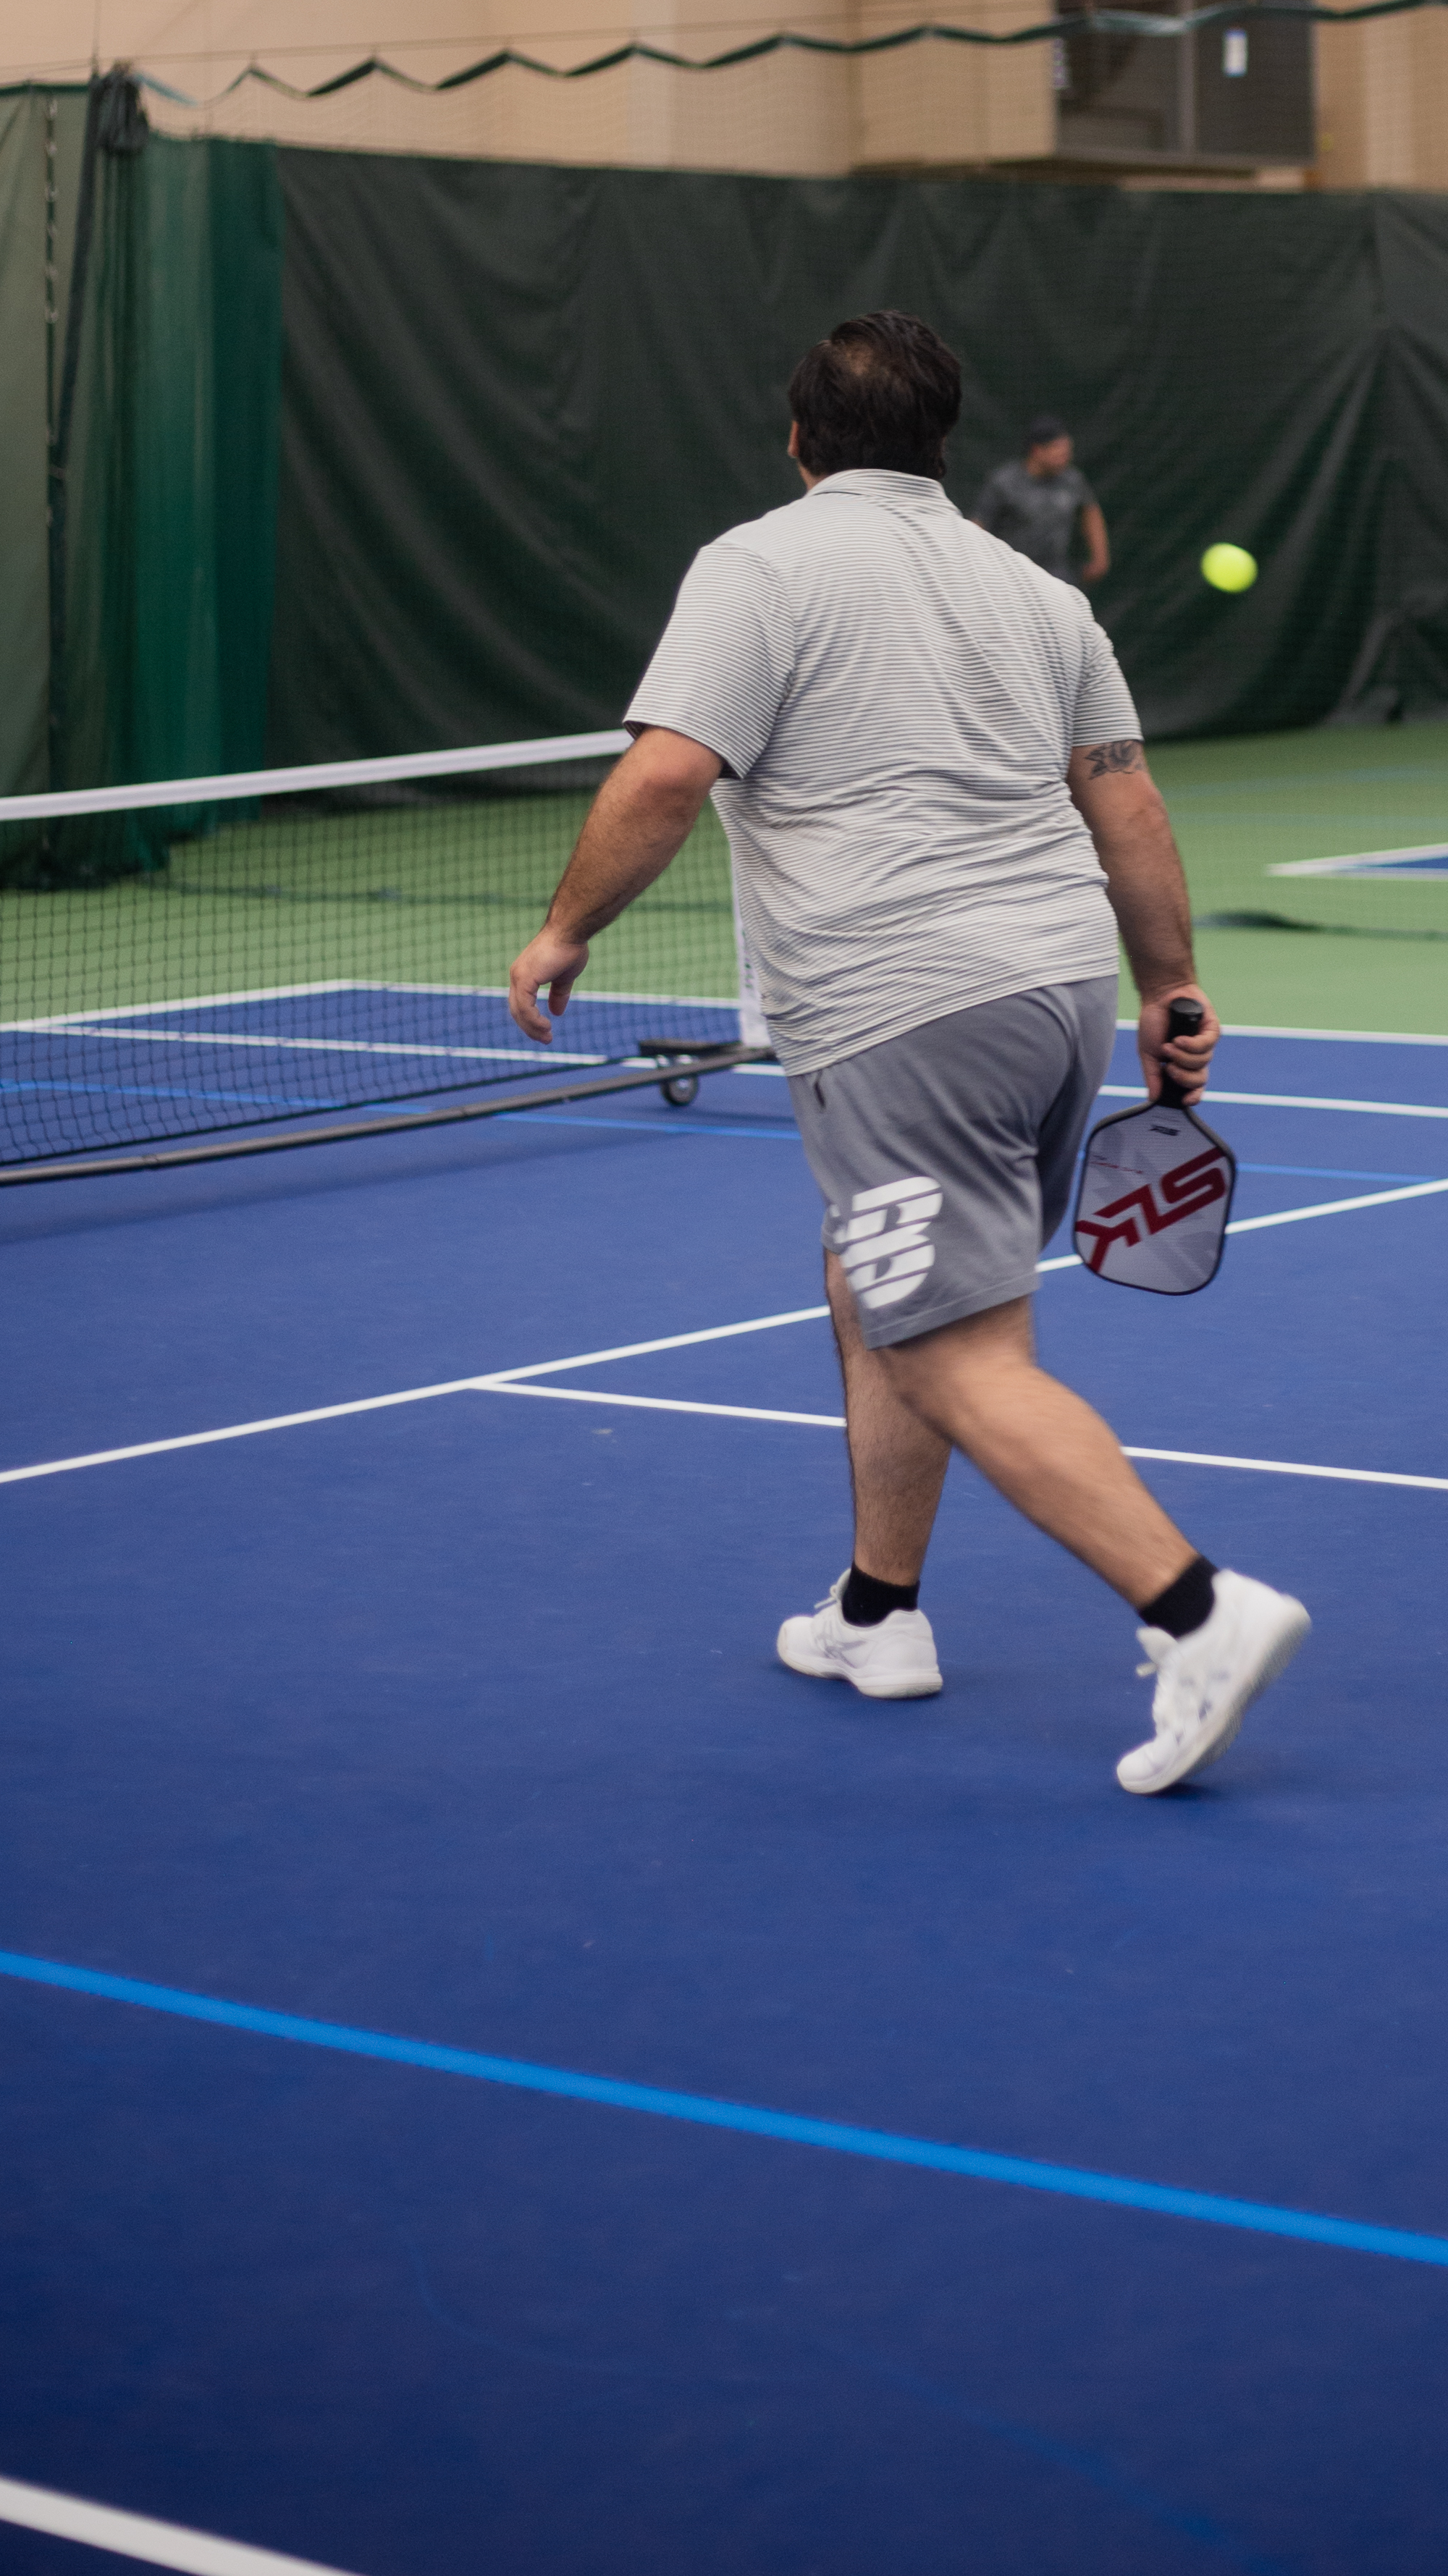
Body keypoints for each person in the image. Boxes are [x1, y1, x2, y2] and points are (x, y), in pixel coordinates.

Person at [508, 310, 1305, 1795]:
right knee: (872, 1284)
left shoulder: (755, 563)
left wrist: (565, 933)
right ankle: (880, 1612)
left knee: (950, 1344)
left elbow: (670, 769)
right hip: (1059, 993)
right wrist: (1173, 982)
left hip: (899, 1007)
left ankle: (1197, 1612)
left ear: (798, 440)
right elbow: (1123, 800)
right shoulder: (1039, 590)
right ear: (949, 446)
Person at [975, 415, 1110, 586]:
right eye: (1058, 449)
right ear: (1037, 451)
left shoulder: (1073, 481)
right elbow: (978, 524)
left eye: (1068, 450)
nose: (1066, 456)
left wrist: (1100, 557)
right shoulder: (1004, 482)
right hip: (1012, 578)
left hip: (1056, 578)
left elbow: (1090, 510)